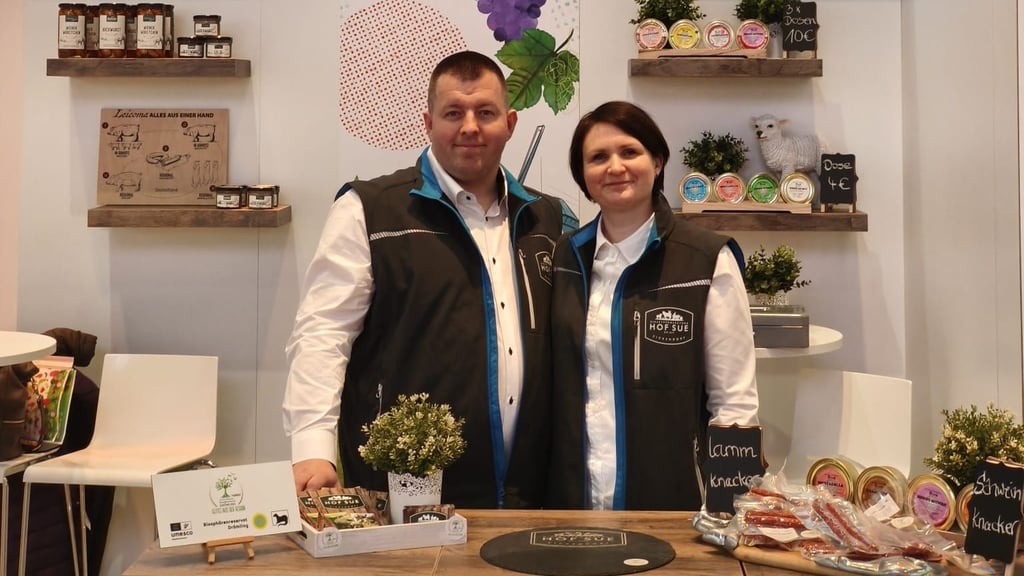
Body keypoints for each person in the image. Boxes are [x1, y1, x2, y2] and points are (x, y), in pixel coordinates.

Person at [283, 50, 576, 508]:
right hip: (405, 484)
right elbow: (323, 333)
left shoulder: (548, 217)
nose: (470, 127)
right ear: (428, 122)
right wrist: (312, 446)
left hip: (532, 487)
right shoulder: (368, 209)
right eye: (453, 113)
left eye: (486, 112)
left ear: (511, 123)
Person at [546, 101, 758, 511]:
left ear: (657, 160)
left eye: (629, 152)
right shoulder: (564, 259)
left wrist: (729, 506)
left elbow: (734, 403)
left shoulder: (706, 258)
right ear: (583, 176)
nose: (615, 167)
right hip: (573, 500)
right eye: (597, 157)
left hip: (671, 500)